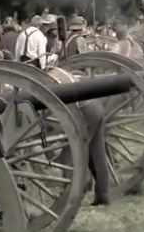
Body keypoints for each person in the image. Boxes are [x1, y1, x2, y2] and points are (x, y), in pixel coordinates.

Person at [45, 67, 111, 206]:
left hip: (85, 111)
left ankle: (72, 197)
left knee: (70, 157)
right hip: (94, 106)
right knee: (97, 154)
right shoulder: (57, 74)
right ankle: (103, 194)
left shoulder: (49, 81)